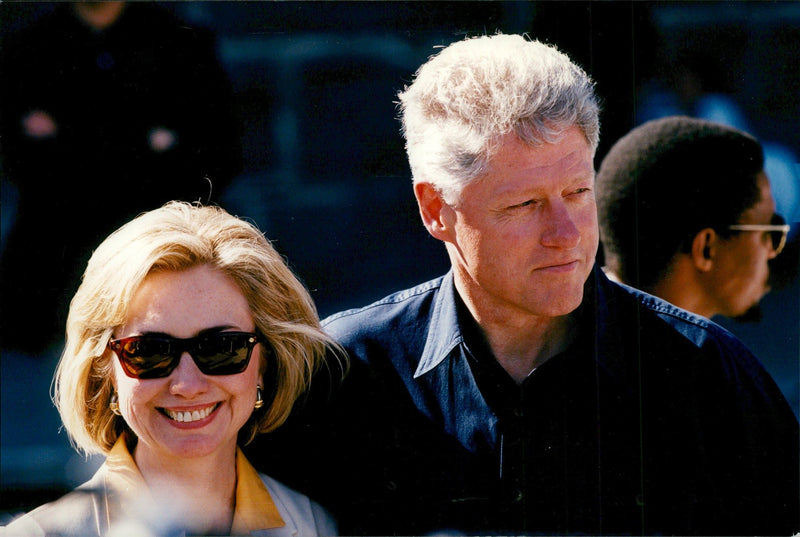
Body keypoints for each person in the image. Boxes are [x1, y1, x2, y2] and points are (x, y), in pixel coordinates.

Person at [249, 34, 799, 536]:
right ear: (436, 209)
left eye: (579, 193)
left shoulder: (707, 374)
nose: (567, 234)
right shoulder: (339, 380)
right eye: (525, 204)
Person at [4, 202, 338, 536]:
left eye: (222, 348)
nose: (188, 384)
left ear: (265, 362)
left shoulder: (316, 524)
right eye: (149, 352)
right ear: (106, 373)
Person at [0, 2, 241, 354]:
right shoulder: (32, 47)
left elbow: (215, 145)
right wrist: (144, 139)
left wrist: (67, 132)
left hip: (156, 232)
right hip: (58, 248)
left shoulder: (177, 42)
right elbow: (17, 148)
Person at [595, 116, 791, 320]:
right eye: (771, 231)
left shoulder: (582, 329)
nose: (772, 252)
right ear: (707, 249)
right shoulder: (687, 349)